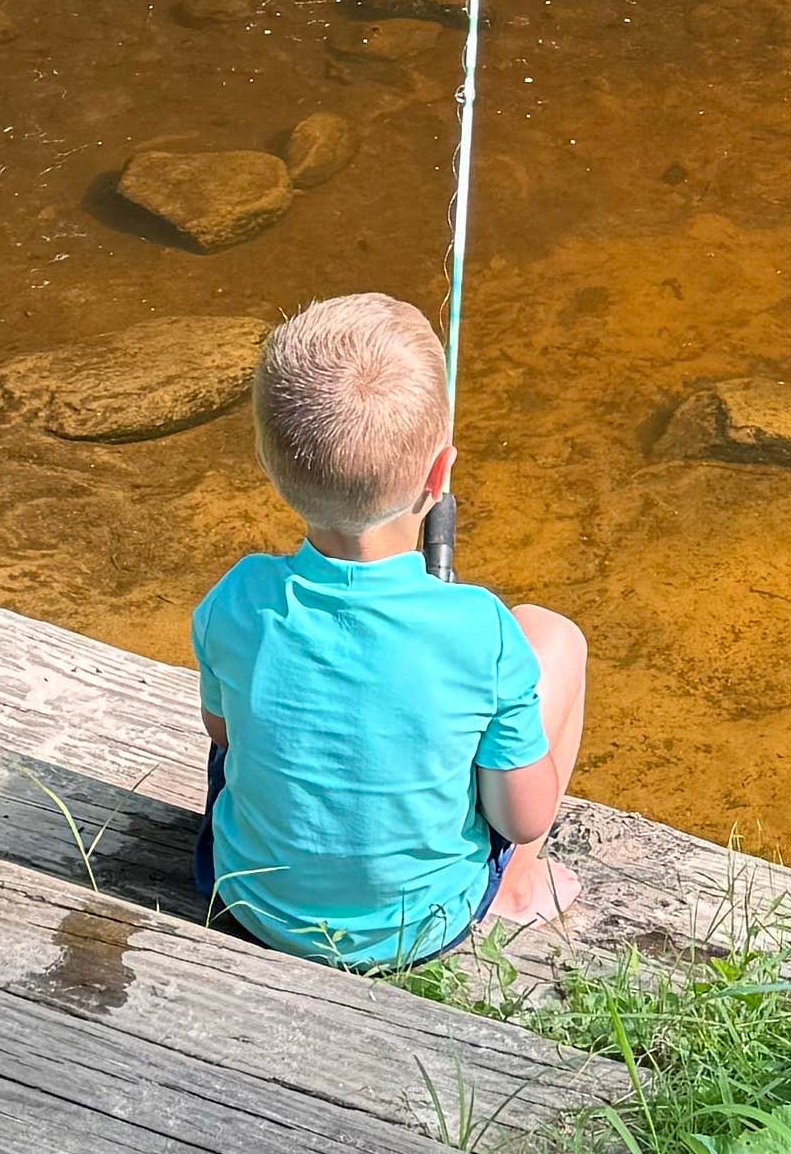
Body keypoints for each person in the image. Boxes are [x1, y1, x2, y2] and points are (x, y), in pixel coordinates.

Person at [192, 289, 590, 965]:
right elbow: (522, 819)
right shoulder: (481, 630)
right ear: (440, 474)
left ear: (268, 468)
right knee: (554, 637)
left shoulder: (238, 598)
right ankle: (517, 888)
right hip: (419, 929)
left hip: (249, 900)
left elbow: (224, 735)